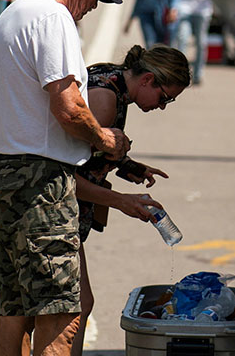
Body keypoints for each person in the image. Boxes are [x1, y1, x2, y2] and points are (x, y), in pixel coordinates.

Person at [0, 0, 129, 356]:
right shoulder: (54, 18)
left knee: (16, 311)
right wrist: (105, 140)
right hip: (40, 184)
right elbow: (67, 105)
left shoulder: (14, 13)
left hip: (4, 175)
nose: (95, 8)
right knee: (62, 313)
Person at [70, 44, 192, 356]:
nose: (163, 106)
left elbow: (93, 153)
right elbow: (66, 176)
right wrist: (122, 201)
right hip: (57, 212)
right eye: (165, 98)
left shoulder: (112, 80)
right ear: (148, 79)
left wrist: (128, 166)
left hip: (64, 212)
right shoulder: (106, 99)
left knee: (55, 307)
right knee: (74, 306)